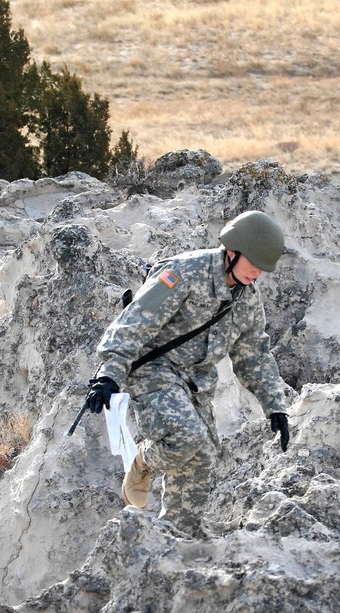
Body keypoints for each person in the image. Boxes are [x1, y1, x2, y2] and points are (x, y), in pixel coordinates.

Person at [85, 210, 291, 535]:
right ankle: (143, 460)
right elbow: (135, 322)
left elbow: (253, 354)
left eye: (262, 268)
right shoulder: (183, 273)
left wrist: (274, 405)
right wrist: (109, 374)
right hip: (153, 368)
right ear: (232, 251)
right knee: (187, 437)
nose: (256, 273)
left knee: (203, 458)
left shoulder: (247, 299)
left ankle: (176, 536)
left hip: (196, 382)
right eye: (252, 263)